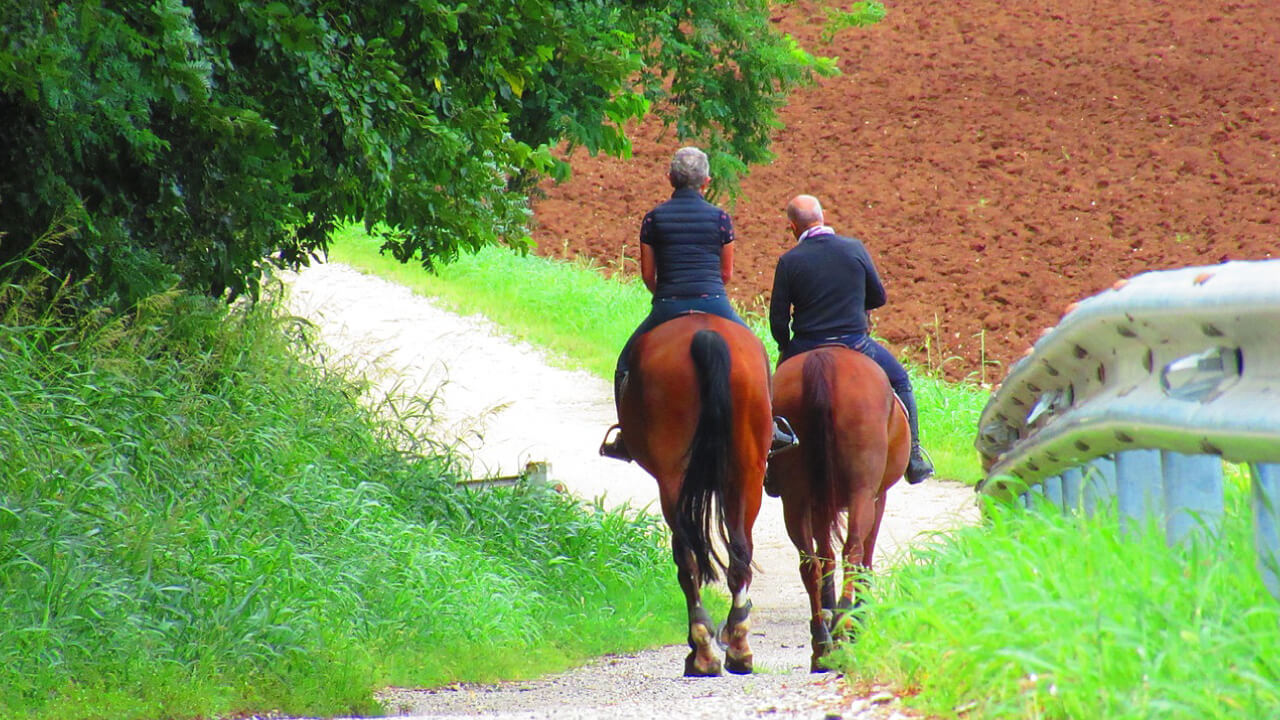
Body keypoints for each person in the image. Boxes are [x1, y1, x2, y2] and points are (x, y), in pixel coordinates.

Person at [599, 147, 796, 461]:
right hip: (715, 302)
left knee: (625, 365)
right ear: (706, 182)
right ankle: (769, 427)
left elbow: (649, 275)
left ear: (670, 179)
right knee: (757, 353)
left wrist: (665, 294)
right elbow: (726, 273)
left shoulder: (654, 218)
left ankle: (625, 436)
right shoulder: (720, 218)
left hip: (667, 305)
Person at [768, 194, 933, 484]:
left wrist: (786, 347)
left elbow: (778, 319)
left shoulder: (789, 260)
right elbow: (878, 296)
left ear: (793, 227)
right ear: (822, 216)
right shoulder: (854, 248)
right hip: (856, 342)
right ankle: (914, 456)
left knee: (773, 394)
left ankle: (772, 457)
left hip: (807, 344)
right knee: (901, 381)